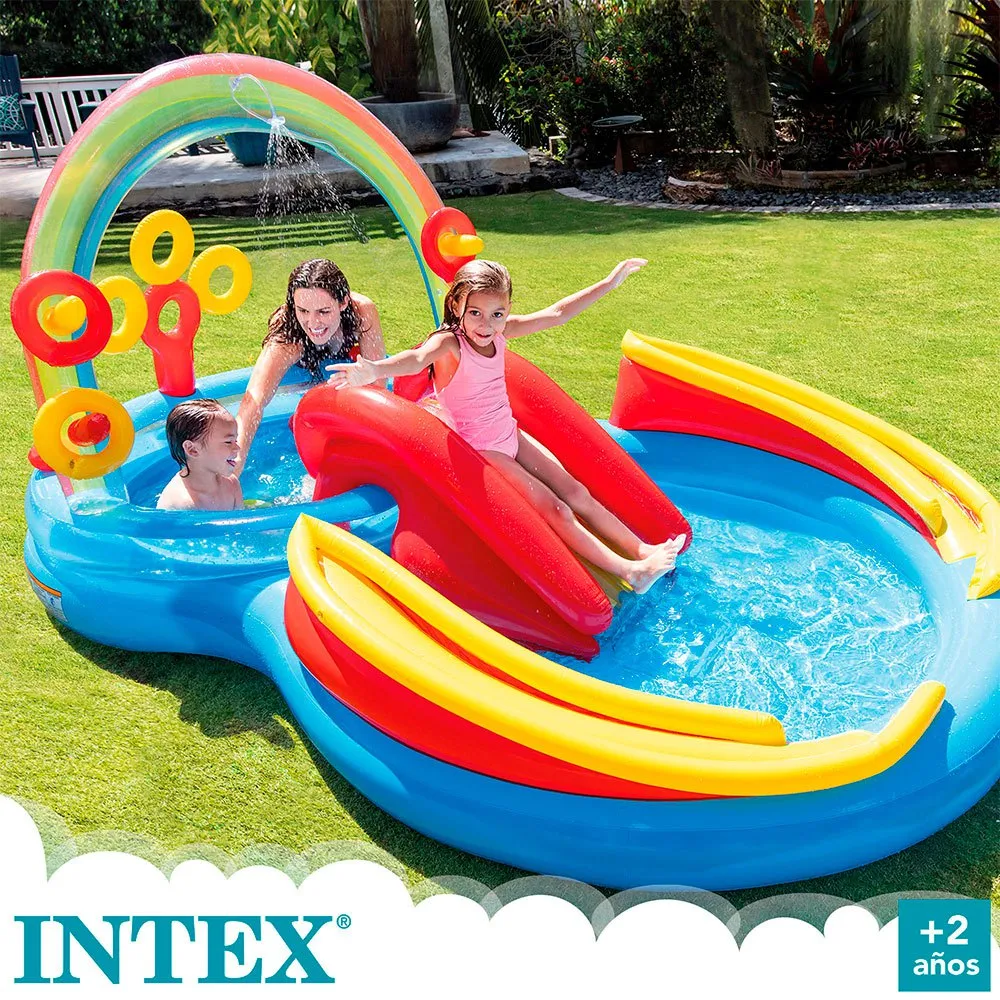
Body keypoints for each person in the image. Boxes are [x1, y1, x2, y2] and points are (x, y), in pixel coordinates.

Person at [328, 258, 685, 594]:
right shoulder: (450, 344)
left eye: (497, 314)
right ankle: (631, 572)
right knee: (556, 509)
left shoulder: (501, 333)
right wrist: (374, 370)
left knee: (577, 492)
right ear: (456, 306)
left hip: (509, 434)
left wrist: (609, 282)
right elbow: (416, 358)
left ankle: (641, 551)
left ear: (507, 310)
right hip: (481, 450)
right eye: (475, 313)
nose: (486, 325)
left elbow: (557, 314)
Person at [234, 258, 385, 475]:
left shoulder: (361, 312)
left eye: (323, 311)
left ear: (343, 302)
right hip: (302, 368)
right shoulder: (288, 336)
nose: (313, 323)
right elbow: (254, 400)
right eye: (303, 310)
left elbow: (377, 384)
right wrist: (234, 463)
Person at [157, 399, 243, 511]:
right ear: (192, 449)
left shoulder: (231, 484)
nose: (237, 448)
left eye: (235, 440)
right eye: (228, 442)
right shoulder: (182, 504)